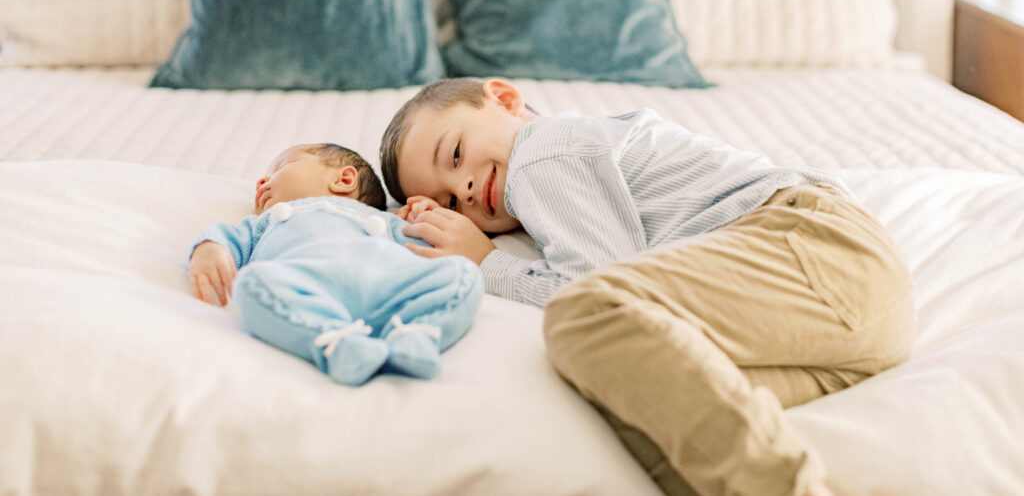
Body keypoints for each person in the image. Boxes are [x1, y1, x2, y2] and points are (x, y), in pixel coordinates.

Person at [378, 78, 914, 496]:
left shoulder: (541, 151)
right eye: (448, 203)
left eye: (454, 156)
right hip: (844, 328)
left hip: (815, 248)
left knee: (582, 316)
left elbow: (595, 282)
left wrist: (485, 262)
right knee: (645, 409)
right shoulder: (550, 179)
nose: (465, 189)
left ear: (505, 98)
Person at [187, 142, 482, 386]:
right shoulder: (262, 224)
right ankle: (339, 342)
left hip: (388, 287)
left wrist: (424, 218)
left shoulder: (385, 221)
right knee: (252, 285)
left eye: (279, 168)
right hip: (311, 289)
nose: (261, 182)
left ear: (343, 180)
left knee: (463, 272)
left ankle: (415, 334)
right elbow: (227, 238)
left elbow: (429, 253)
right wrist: (209, 249)